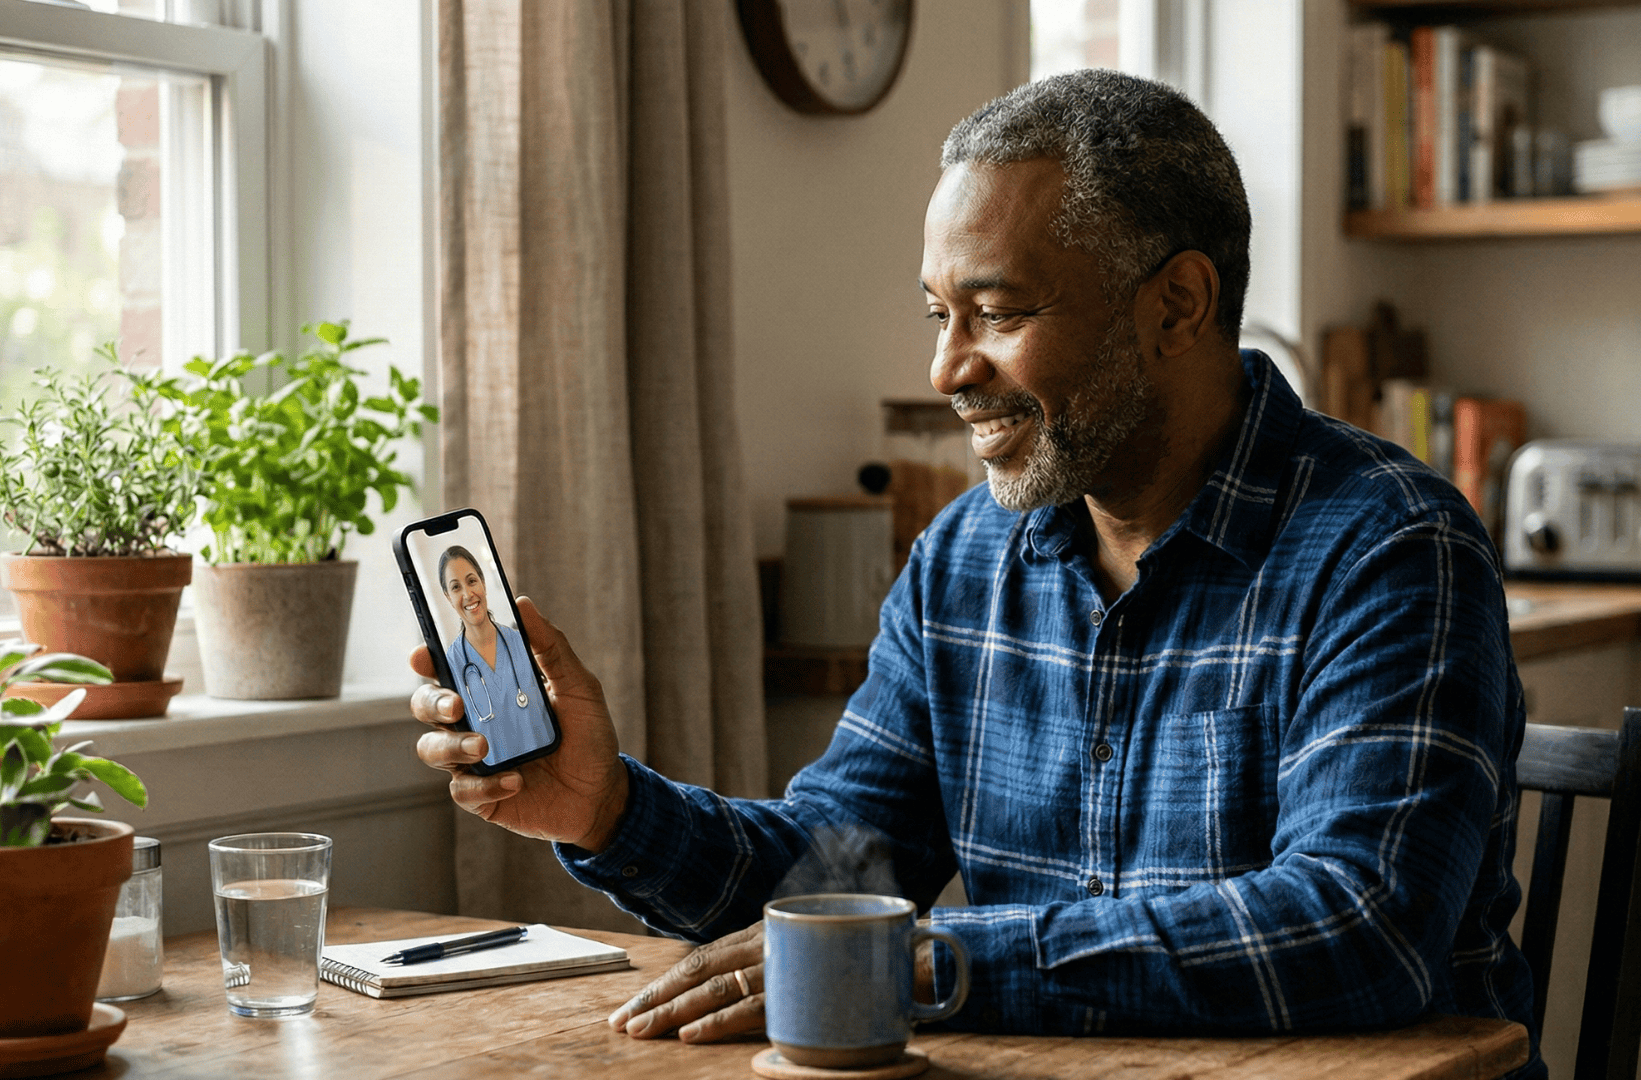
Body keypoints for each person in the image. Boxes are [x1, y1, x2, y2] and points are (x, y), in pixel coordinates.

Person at [412, 70, 1541, 1078]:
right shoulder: (965, 560)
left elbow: (1358, 931)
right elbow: (836, 873)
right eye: (939, 314)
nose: (949, 369)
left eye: (996, 312)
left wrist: (928, 963)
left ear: (1178, 305)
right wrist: (607, 808)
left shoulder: (1392, 546)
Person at [437, 545, 554, 769]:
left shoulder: (522, 642)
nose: (467, 594)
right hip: (498, 780)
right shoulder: (451, 663)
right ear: (448, 597)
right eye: (455, 587)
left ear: (483, 582)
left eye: (471, 581)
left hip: (546, 765)